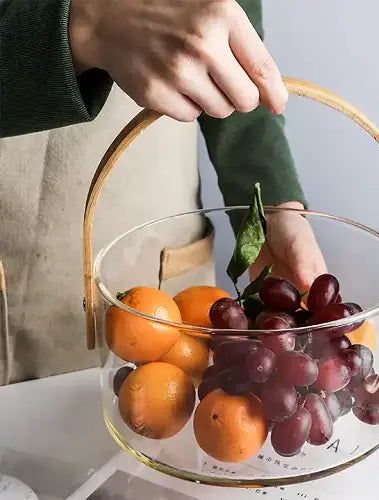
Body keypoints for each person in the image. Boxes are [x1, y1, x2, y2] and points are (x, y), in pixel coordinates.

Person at [0, 0, 326, 383]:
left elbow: (224, 26)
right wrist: (85, 27)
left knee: (169, 415)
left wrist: (269, 200)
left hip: (152, 247)